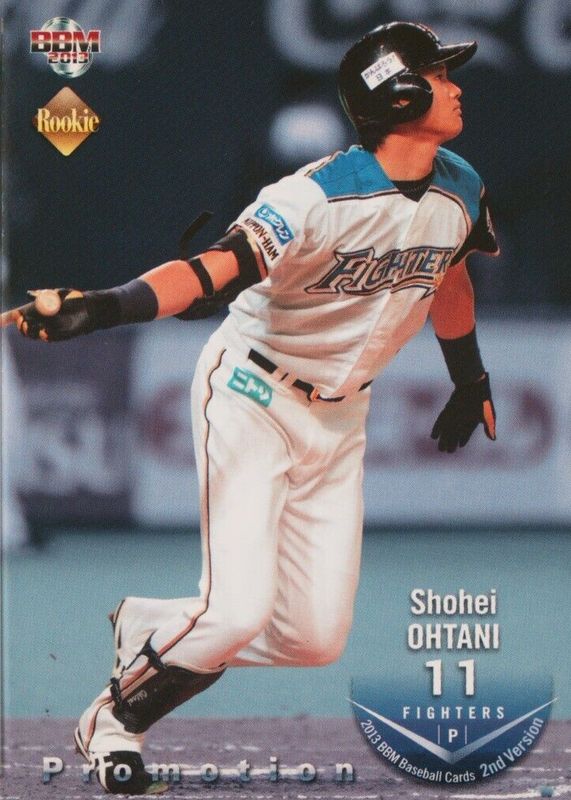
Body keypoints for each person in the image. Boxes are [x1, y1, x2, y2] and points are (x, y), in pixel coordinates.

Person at [13, 21, 499, 795]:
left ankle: (153, 627)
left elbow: (450, 276)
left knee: (313, 639)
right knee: (236, 613)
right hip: (253, 393)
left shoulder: (461, 185)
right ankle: (112, 721)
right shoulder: (312, 195)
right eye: (439, 75)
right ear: (399, 94)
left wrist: (467, 378)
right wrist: (105, 306)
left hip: (340, 416)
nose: (455, 85)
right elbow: (214, 269)